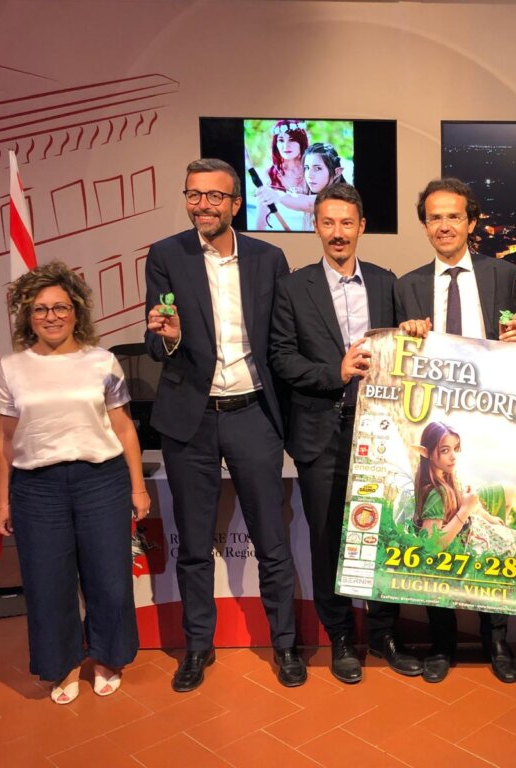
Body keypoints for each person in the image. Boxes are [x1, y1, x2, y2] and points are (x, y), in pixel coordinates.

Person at [145, 158, 305, 692]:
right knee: (193, 544)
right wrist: (167, 337)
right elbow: (155, 342)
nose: (203, 205)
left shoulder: (268, 258)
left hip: (253, 414)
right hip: (190, 420)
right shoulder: (166, 255)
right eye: (194, 195)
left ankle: (285, 644)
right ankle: (197, 647)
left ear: (236, 204)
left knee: (271, 540)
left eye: (215, 196)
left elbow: (282, 339)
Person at [269, 183, 421, 684]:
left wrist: (415, 333)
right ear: (315, 225)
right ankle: (339, 636)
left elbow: (406, 348)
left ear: (362, 227)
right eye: (329, 223)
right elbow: (281, 357)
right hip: (321, 435)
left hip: (382, 432)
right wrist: (332, 373)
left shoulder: (385, 282)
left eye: (347, 223)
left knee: (385, 533)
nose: (338, 233)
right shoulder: (293, 287)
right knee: (329, 539)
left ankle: (383, 634)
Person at [0, 261, 148, 704]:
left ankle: (107, 657)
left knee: (110, 579)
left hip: (101, 482)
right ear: (28, 316)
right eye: (40, 309)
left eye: (60, 307)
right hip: (36, 489)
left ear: (76, 311)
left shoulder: (102, 361)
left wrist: (138, 488)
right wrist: (3, 501)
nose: (52, 316)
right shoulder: (11, 368)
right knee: (48, 583)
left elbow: (125, 429)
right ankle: (61, 663)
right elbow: (5, 440)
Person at [394, 177, 516, 684]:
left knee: (485, 529)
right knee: (442, 522)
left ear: (471, 223)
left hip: (492, 416)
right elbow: (400, 363)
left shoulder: (503, 274)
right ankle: (442, 643)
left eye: (454, 216)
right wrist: (407, 336)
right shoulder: (407, 285)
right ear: (425, 225)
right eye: (434, 217)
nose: (444, 225)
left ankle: (497, 641)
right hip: (437, 419)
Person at [413, 422, 516, 554]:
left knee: (508, 499)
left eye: (455, 449)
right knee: (509, 541)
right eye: (445, 450)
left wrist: (487, 517)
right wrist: (465, 509)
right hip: (465, 535)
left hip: (468, 525)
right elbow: (430, 547)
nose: (453, 456)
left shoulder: (445, 475)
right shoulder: (437, 493)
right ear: (426, 453)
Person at [256, 142, 345, 232]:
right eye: (307, 168)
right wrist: (300, 195)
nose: (309, 175)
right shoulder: (312, 195)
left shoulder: (339, 197)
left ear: (337, 172)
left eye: (318, 168)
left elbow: (309, 203)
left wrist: (277, 195)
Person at [255, 119, 309, 231]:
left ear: (301, 142)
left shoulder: (311, 172)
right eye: (281, 140)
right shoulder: (269, 175)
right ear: (276, 144)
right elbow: (260, 225)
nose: (286, 145)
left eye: (291, 140)